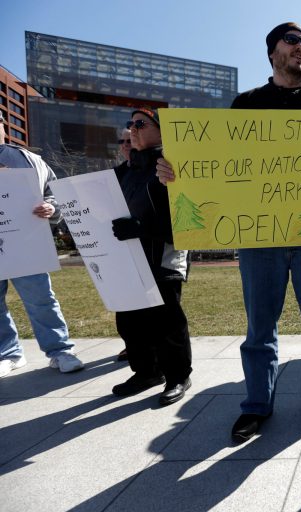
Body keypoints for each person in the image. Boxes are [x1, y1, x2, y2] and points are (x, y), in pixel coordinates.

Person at [157, 22, 301, 441]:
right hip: (259, 237)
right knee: (260, 329)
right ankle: (256, 405)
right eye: (292, 42)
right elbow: (223, 165)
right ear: (272, 53)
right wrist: (179, 174)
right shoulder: (247, 103)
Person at [110, 107, 192, 406]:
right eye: (130, 124)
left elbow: (189, 214)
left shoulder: (173, 164)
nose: (132, 128)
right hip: (127, 259)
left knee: (166, 322)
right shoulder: (123, 171)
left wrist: (143, 228)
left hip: (163, 257)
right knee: (129, 321)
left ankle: (178, 376)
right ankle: (146, 372)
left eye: (141, 123)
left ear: (162, 130)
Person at [0, 111, 84, 377]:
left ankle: (60, 351)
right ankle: (8, 354)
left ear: (3, 126)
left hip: (26, 243)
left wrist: (51, 207)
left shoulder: (27, 159)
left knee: (41, 299)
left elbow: (54, 193)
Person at [114, 127, 132, 362]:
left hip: (150, 243)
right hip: (120, 244)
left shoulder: (159, 168)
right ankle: (132, 345)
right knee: (125, 302)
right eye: (123, 140)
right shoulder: (114, 174)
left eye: (130, 139)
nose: (127, 143)